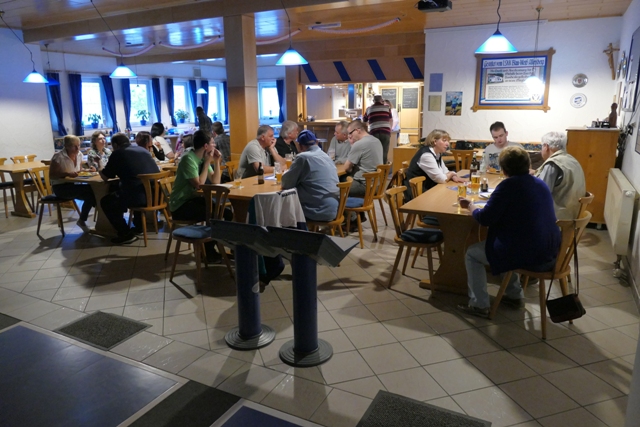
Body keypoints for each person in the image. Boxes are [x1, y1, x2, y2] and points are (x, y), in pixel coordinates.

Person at [457, 146, 560, 317]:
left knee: (473, 253)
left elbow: (485, 218)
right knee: (509, 241)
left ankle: (479, 304)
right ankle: (514, 296)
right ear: (528, 165)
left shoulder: (508, 185)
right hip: (550, 249)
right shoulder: (540, 183)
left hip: (528, 253)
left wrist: (470, 206)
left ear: (504, 169)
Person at [170, 130, 223, 259]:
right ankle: (208, 251)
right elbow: (199, 185)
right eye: (212, 143)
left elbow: (215, 181)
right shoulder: (188, 158)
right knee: (214, 215)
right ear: (206, 146)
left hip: (192, 200)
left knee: (224, 212)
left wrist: (216, 161)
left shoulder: (203, 158)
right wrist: (207, 163)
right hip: (180, 205)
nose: (215, 146)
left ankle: (212, 248)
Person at [100, 132, 160, 244]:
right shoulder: (143, 150)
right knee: (133, 187)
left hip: (139, 198)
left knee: (107, 201)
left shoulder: (118, 153)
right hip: (156, 196)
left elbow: (105, 176)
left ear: (115, 145)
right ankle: (139, 227)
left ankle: (125, 234)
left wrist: (99, 167)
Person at [281, 130, 339, 221]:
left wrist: (285, 173)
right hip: (334, 208)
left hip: (317, 210)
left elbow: (286, 184)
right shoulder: (326, 156)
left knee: (282, 206)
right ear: (316, 142)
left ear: (300, 146)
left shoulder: (303, 157)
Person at [49, 135, 97, 232]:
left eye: (78, 145)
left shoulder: (79, 154)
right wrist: (67, 174)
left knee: (94, 192)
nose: (77, 148)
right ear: (66, 146)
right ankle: (85, 220)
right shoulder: (58, 157)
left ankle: (89, 220)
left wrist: (88, 170)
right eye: (74, 146)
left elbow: (79, 170)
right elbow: (52, 175)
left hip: (74, 185)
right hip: (60, 188)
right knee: (91, 192)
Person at [534, 131, 586, 220]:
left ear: (546, 147)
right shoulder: (572, 160)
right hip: (572, 214)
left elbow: (540, 193)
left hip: (557, 219)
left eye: (541, 146)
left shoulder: (552, 164)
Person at [403, 129, 464, 201]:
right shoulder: (426, 155)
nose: (447, 144)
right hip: (417, 194)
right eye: (444, 140)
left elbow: (445, 171)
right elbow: (441, 179)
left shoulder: (437, 153)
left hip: (429, 189)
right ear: (435, 141)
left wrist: (452, 176)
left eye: (448, 141)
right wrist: (452, 173)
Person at [344, 120, 383, 197]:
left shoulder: (359, 144)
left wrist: (352, 145)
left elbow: (346, 168)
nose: (350, 136)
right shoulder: (376, 141)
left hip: (364, 185)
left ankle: (343, 205)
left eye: (350, 133)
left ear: (357, 130)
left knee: (334, 185)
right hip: (377, 184)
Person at [363, 94, 392, 164]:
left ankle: (375, 168)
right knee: (384, 151)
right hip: (385, 132)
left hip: (374, 132)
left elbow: (364, 121)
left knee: (375, 151)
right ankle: (383, 168)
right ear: (381, 100)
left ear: (373, 101)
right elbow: (391, 120)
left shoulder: (368, 109)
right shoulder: (387, 108)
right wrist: (390, 129)